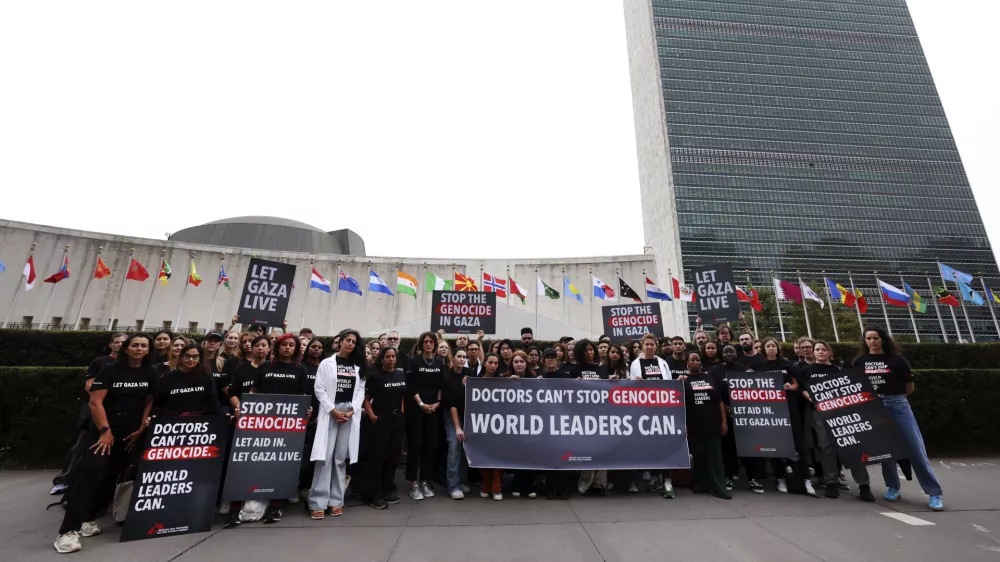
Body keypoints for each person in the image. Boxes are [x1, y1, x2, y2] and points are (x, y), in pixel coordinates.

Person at [54, 334, 156, 554]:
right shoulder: (110, 369)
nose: (139, 348)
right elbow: (95, 401)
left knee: (111, 477)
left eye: (143, 346)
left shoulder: (150, 372)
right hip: (103, 432)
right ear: (126, 348)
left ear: (148, 350)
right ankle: (67, 531)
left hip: (129, 433)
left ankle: (88, 519)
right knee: (91, 474)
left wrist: (140, 428)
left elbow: (149, 399)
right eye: (135, 345)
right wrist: (104, 432)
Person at [853, 326, 943, 510]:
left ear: (883, 340)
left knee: (915, 447)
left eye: (875, 338)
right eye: (868, 338)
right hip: (873, 407)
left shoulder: (897, 360)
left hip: (897, 404)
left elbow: (909, 387)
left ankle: (934, 492)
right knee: (886, 450)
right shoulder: (859, 361)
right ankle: (893, 487)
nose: (871, 341)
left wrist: (894, 399)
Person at [50, 333, 128, 496]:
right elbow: (89, 385)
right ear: (111, 345)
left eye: (123, 342)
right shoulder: (100, 362)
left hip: (119, 412)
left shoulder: (131, 364)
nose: (120, 345)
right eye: (117, 342)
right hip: (97, 408)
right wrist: (104, 399)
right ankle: (64, 481)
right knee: (82, 446)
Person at [248, 333, 309, 523]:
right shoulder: (266, 366)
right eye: (284, 344)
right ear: (277, 347)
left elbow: (302, 397)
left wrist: (306, 412)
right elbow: (254, 392)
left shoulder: (300, 369)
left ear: (296, 349)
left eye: (292, 345)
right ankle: (257, 499)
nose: (287, 348)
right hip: (264, 423)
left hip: (288, 426)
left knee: (282, 464)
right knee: (261, 462)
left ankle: (276, 505)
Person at [309, 329, 365, 519]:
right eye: (347, 340)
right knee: (324, 456)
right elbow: (320, 389)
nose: (350, 344)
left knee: (340, 458)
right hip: (330, 411)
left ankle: (336, 501)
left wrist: (352, 410)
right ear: (340, 342)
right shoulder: (326, 363)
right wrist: (332, 410)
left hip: (349, 412)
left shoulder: (358, 366)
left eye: (354, 342)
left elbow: (361, 392)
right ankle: (318, 501)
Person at [753, 338, 815, 496]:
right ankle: (780, 477)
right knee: (776, 442)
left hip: (789, 405)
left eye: (774, 346)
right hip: (771, 408)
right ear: (764, 350)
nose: (771, 349)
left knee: (797, 440)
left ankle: (805, 479)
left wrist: (790, 387)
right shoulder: (758, 367)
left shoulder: (787, 365)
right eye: (768, 346)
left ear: (777, 348)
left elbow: (796, 385)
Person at [628, 333, 676, 498]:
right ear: (642, 346)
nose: (649, 347)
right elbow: (631, 387)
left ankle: (666, 480)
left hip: (662, 411)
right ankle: (651, 477)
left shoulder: (663, 363)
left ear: (656, 346)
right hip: (643, 413)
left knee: (664, 445)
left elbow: (670, 385)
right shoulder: (635, 364)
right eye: (646, 344)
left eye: (652, 344)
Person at [359, 346, 407, 509]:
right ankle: (375, 493)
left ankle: (389, 488)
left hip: (397, 421)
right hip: (380, 420)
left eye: (393, 356)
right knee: (378, 457)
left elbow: (402, 396)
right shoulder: (375, 375)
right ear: (382, 358)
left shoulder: (400, 373)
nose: (391, 359)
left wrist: (402, 412)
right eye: (388, 356)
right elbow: (365, 398)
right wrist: (372, 416)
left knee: (393, 457)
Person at [684, 352, 731, 500]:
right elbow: (680, 405)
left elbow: (720, 402)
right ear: (687, 363)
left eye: (698, 359)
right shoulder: (683, 381)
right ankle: (700, 484)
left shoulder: (709, 378)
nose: (695, 362)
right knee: (699, 457)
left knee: (715, 458)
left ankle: (719, 487)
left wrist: (723, 421)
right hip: (693, 425)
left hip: (713, 424)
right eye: (692, 360)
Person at [707, 345, 753, 492]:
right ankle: (729, 475)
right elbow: (712, 392)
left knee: (746, 446)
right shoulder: (715, 370)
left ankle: (752, 477)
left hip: (744, 414)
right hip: (724, 413)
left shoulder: (745, 369)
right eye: (725, 351)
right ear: (722, 354)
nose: (728, 354)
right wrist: (726, 408)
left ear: (736, 353)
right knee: (727, 447)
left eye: (731, 351)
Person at [405, 332, 444, 500]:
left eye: (431, 341)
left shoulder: (440, 363)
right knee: (415, 445)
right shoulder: (414, 362)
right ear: (421, 344)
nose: (428, 344)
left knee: (430, 445)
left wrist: (437, 402)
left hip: (434, 409)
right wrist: (421, 404)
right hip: (416, 409)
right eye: (425, 342)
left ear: (435, 344)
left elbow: (442, 386)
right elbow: (410, 386)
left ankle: (425, 481)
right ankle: (413, 483)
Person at [153, 343, 219, 416]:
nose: (191, 359)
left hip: (199, 421)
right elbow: (159, 403)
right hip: (172, 420)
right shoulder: (167, 377)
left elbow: (212, 401)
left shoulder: (206, 377)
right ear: (181, 357)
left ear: (200, 358)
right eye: (187, 356)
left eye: (195, 356)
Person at [508, 351, 539, 499]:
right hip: (514, 423)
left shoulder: (534, 378)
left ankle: (529, 486)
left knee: (531, 453)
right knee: (518, 454)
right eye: (516, 362)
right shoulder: (506, 379)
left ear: (526, 363)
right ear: (512, 364)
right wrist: (510, 383)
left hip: (532, 422)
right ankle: (517, 485)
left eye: (521, 361)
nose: (519, 364)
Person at [441, 348, 471, 500]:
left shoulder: (469, 373)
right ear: (453, 359)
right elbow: (451, 404)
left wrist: (470, 384)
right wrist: (458, 427)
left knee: (466, 448)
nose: (462, 359)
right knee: (454, 445)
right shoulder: (447, 376)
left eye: (464, 357)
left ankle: (462, 481)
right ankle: (453, 485)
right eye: (459, 356)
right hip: (452, 414)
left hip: (468, 414)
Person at [298, 338, 325, 500]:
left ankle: (306, 486)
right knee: (299, 453)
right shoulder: (301, 367)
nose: (316, 349)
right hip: (302, 415)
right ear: (308, 349)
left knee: (313, 454)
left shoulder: (325, 367)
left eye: (319, 347)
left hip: (320, 415)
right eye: (313, 346)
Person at [478, 353, 505, 500]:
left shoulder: (502, 382)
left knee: (498, 454)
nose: (493, 366)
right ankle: (486, 483)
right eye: (490, 363)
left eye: (496, 363)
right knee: (483, 455)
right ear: (485, 363)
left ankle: (496, 486)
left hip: (498, 424)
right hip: (480, 423)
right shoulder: (474, 380)